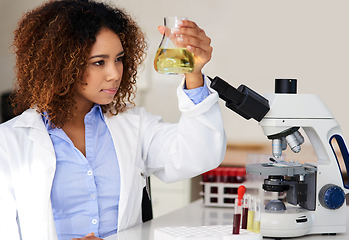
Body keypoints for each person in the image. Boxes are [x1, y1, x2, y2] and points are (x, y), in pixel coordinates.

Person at [0, 0, 226, 239]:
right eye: (99, 62)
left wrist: (194, 74)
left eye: (118, 58)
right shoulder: (9, 142)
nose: (114, 73)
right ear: (59, 66)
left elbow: (198, 154)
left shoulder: (132, 126)